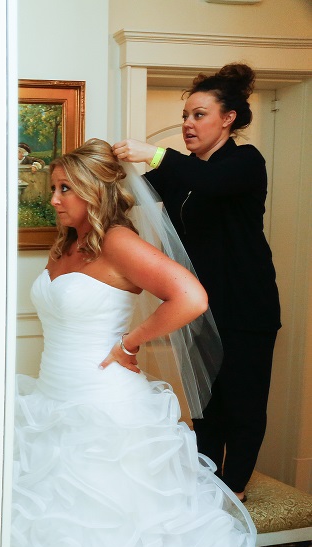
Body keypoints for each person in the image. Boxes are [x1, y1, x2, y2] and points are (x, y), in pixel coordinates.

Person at [8, 138, 275, 547]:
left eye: (64, 189)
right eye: (54, 188)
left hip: (106, 409)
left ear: (94, 191)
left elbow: (191, 297)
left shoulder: (118, 241)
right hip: (51, 400)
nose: (53, 199)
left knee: (114, 531)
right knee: (59, 529)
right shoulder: (66, 243)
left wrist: (131, 342)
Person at [112, 63, 279, 502]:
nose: (188, 123)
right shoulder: (180, 171)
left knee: (243, 402)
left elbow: (209, 181)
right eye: (185, 115)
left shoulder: (244, 162)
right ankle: (206, 483)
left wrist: (153, 154)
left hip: (246, 307)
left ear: (228, 119)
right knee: (207, 404)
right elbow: (135, 191)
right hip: (199, 305)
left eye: (199, 115)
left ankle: (236, 486)